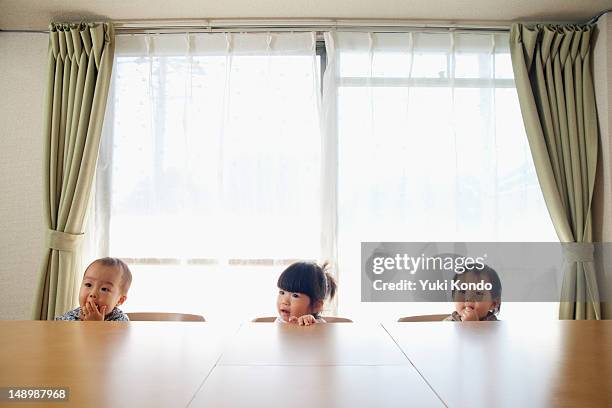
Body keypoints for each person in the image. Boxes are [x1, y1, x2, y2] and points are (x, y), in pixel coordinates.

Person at [55, 257, 132, 321]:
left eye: (104, 289)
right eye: (88, 285)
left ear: (120, 300)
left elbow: (117, 339)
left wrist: (95, 325)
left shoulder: (120, 321)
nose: (93, 294)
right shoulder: (70, 317)